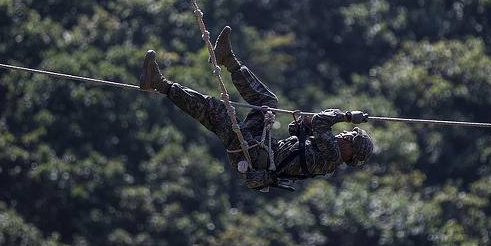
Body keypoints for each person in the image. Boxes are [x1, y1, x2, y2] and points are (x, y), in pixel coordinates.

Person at [139, 26, 374, 191]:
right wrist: (302, 127)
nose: (346, 133)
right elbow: (298, 133)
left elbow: (322, 121)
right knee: (267, 102)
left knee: (214, 110)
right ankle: (228, 60)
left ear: (352, 152)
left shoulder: (332, 156)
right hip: (264, 146)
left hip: (254, 155)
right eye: (350, 133)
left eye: (351, 137)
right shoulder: (327, 152)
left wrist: (345, 115)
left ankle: (159, 84)